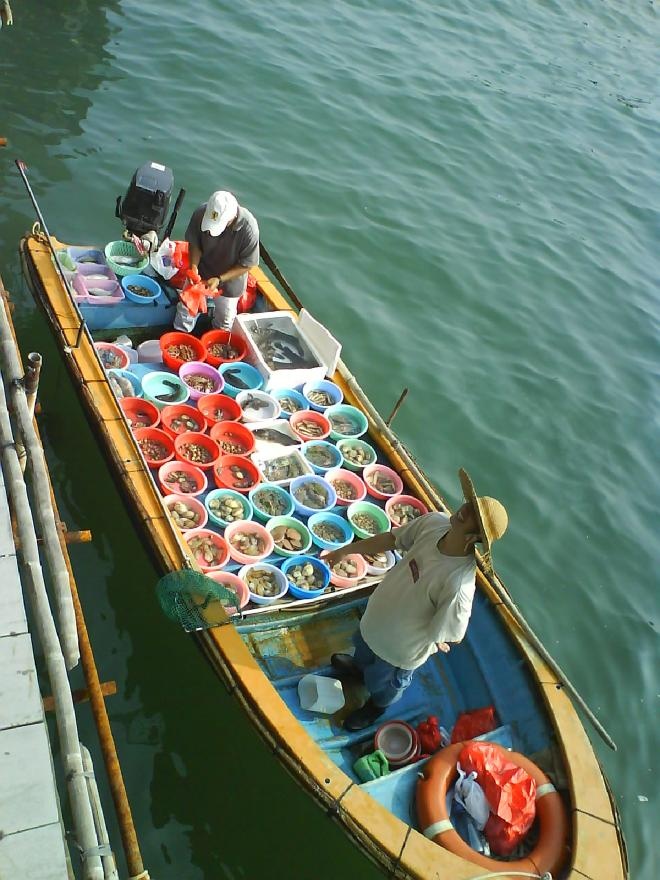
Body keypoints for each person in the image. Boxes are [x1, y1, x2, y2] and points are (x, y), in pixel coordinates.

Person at [324, 468, 508, 731]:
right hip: (374, 620)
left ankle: (375, 708)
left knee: (383, 686)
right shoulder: (434, 523)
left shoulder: (458, 583)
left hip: (398, 652)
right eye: (471, 505)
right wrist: (348, 550)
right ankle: (359, 669)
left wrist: (439, 642)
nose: (465, 510)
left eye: (473, 518)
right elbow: (393, 539)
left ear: (476, 537)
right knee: (363, 652)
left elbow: (451, 635)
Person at [174, 190, 259, 332]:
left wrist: (219, 279)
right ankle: (180, 332)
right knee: (186, 308)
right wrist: (194, 267)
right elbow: (195, 243)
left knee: (225, 319)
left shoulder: (249, 229)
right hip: (201, 273)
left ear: (231, 219)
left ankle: (216, 340)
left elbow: (247, 264)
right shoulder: (200, 213)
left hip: (230, 281)